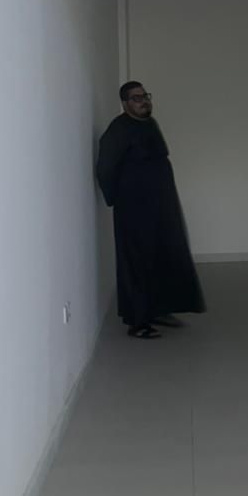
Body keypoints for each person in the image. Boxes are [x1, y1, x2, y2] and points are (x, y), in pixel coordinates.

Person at [96, 82, 206, 339]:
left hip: (161, 205)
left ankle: (158, 309)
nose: (144, 101)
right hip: (134, 207)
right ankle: (137, 321)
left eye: (145, 96)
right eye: (136, 98)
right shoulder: (119, 129)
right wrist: (117, 199)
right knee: (137, 260)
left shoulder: (149, 124)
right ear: (125, 103)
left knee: (163, 254)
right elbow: (105, 168)